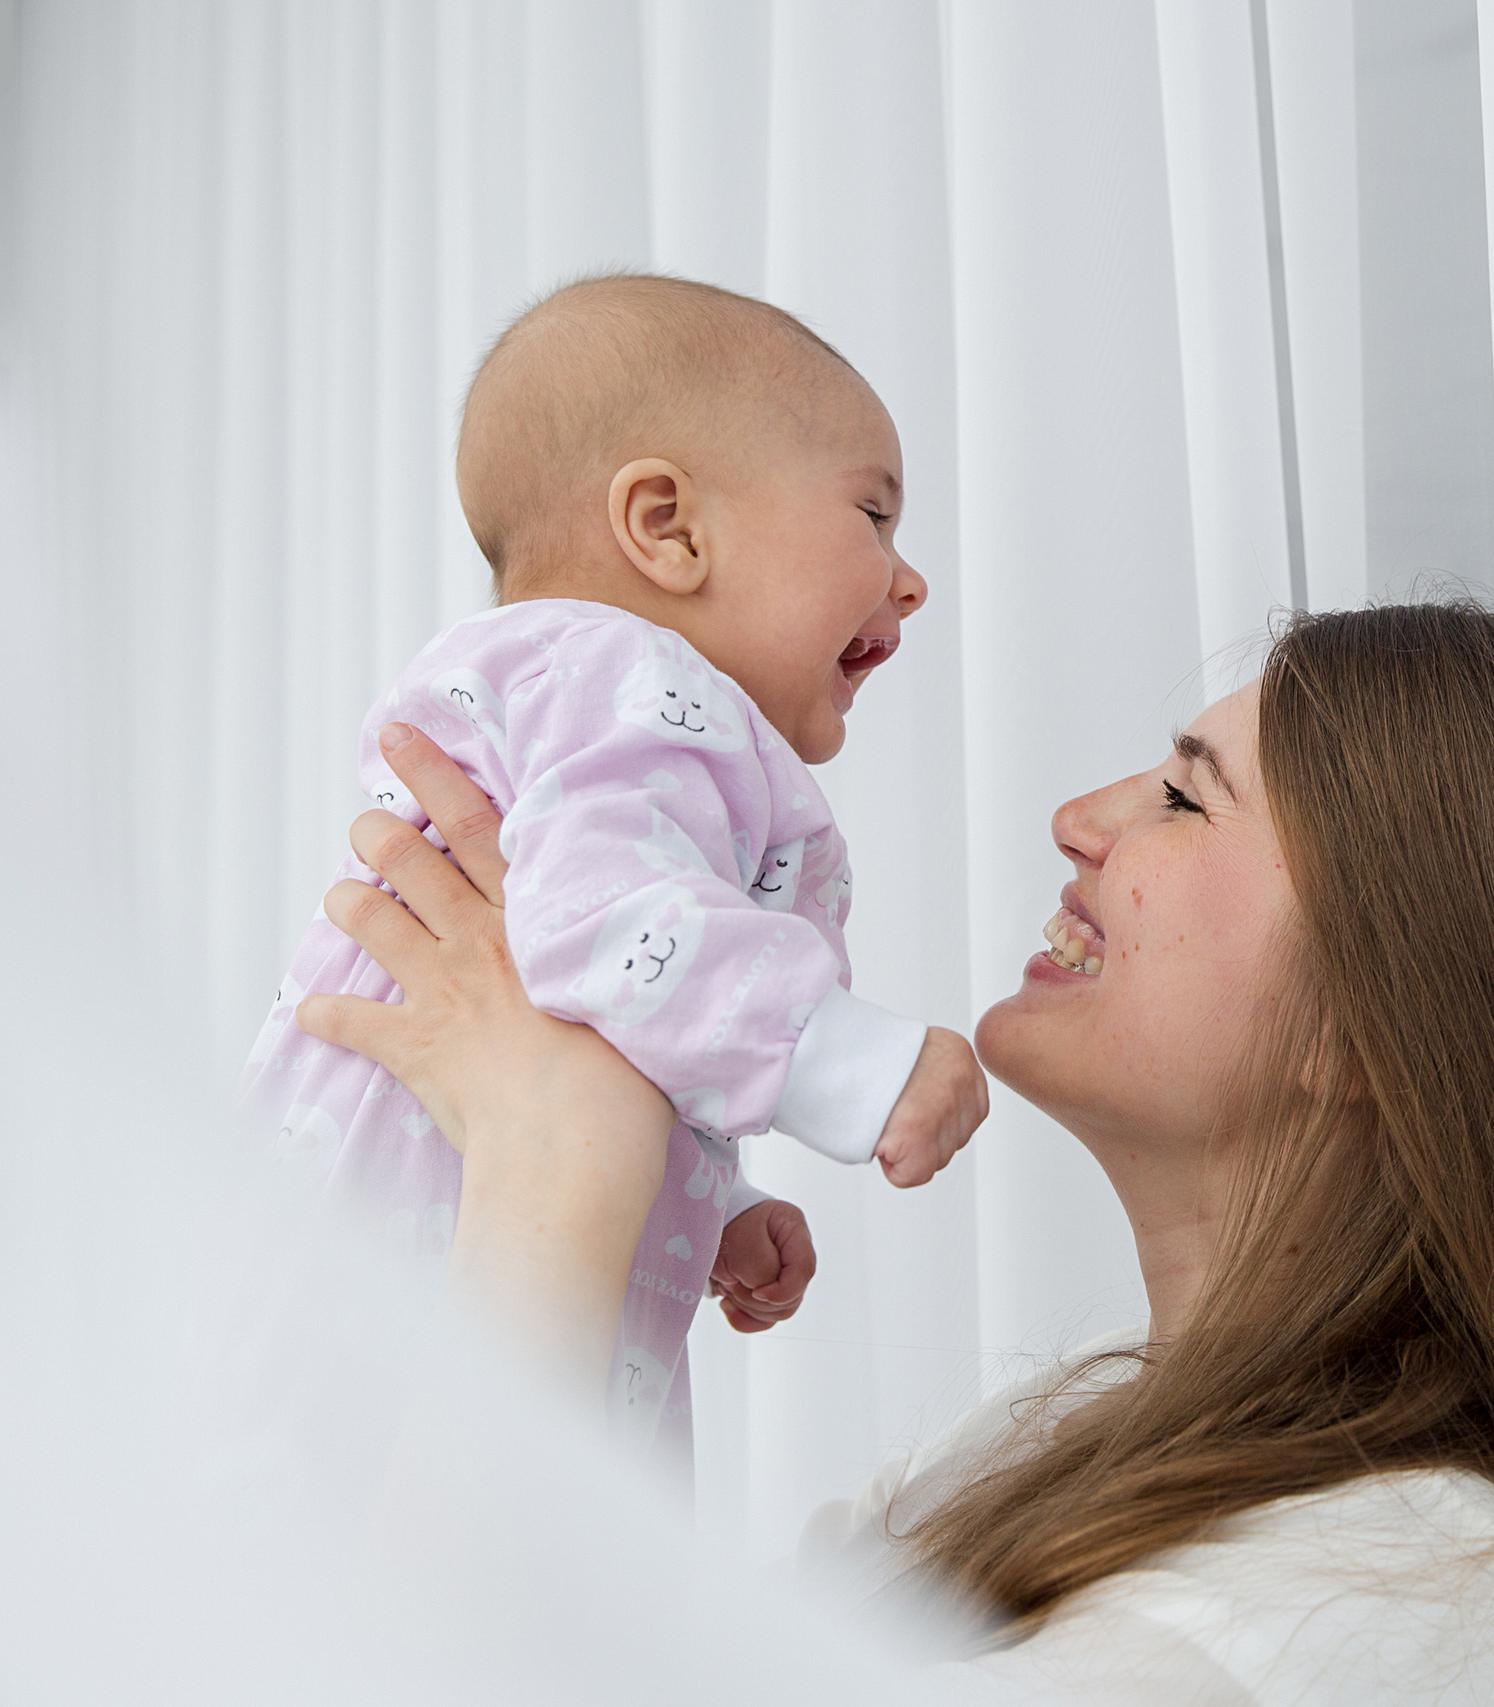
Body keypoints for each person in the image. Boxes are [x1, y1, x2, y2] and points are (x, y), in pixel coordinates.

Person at [301, 604, 1494, 1703]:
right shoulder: (1018, 1465)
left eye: (1183, 797)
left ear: (1372, 1012)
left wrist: (556, 1158)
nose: (1076, 822)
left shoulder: (1371, 1603)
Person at [243, 274, 990, 1457]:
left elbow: (589, 1009)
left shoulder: (593, 712)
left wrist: (710, 1201)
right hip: (412, 1342)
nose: (910, 579)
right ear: (669, 527)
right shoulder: (627, 676)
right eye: (872, 515)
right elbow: (603, 931)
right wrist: (854, 1063)